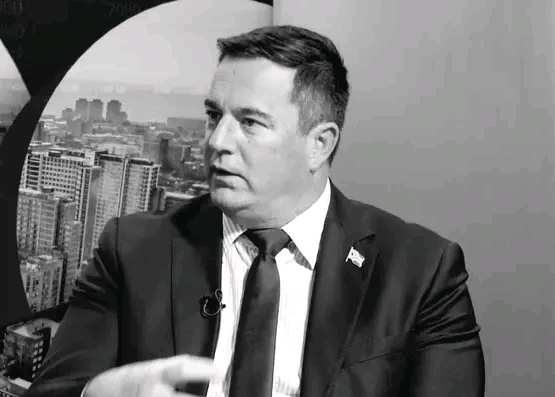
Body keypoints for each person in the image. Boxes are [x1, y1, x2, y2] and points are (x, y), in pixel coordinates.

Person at [25, 25, 485, 397]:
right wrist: (97, 395)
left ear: (319, 144)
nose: (217, 141)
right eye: (214, 116)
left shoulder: (421, 274)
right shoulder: (132, 249)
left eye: (249, 122)